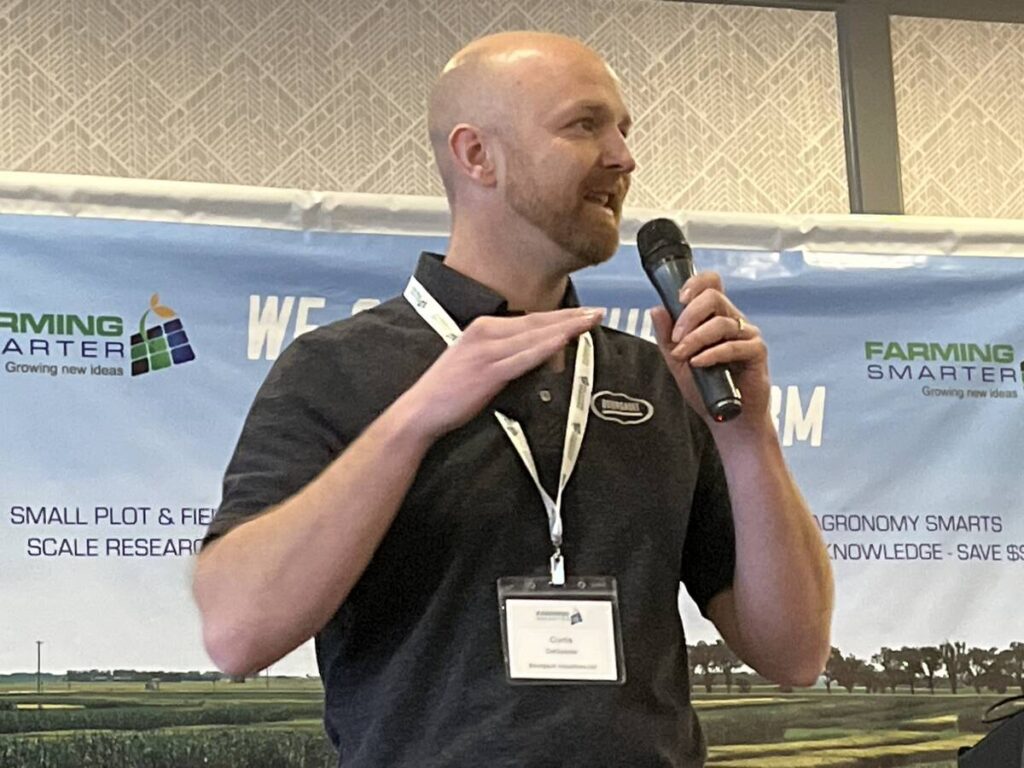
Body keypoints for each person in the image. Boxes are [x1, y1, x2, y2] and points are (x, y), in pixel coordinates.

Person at [193, 31, 833, 767]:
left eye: (624, 129)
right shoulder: (335, 370)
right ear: (476, 156)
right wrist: (415, 419)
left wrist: (748, 433)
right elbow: (237, 632)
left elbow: (794, 653)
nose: (623, 156)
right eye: (585, 125)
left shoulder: (657, 377)